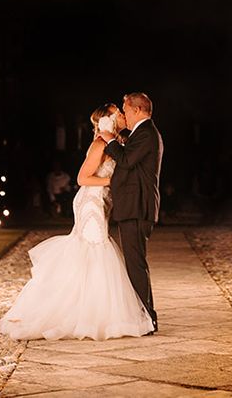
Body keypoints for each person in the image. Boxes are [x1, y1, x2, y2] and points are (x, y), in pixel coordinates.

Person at [0, 104, 154, 340]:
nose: (122, 115)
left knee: (95, 252)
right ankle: (80, 314)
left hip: (102, 203)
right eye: (118, 113)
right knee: (93, 251)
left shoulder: (116, 143)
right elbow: (83, 178)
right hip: (91, 203)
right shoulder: (100, 144)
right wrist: (113, 182)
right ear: (108, 120)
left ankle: (92, 309)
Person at [99, 92, 163, 333]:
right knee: (135, 263)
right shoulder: (141, 134)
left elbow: (125, 161)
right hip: (134, 206)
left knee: (135, 264)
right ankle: (145, 316)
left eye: (126, 111)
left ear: (137, 110)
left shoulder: (146, 133)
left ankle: (146, 319)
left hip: (137, 207)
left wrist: (109, 140)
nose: (124, 116)